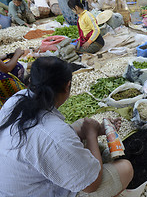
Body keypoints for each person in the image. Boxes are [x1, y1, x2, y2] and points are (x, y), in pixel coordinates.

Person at [0, 56, 134, 196]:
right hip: (36, 192)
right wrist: (91, 135)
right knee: (125, 168)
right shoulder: (54, 135)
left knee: (82, 125)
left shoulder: (17, 99)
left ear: (31, 81)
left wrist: (97, 130)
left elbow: (53, 136)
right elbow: (91, 185)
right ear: (67, 86)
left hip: (12, 185)